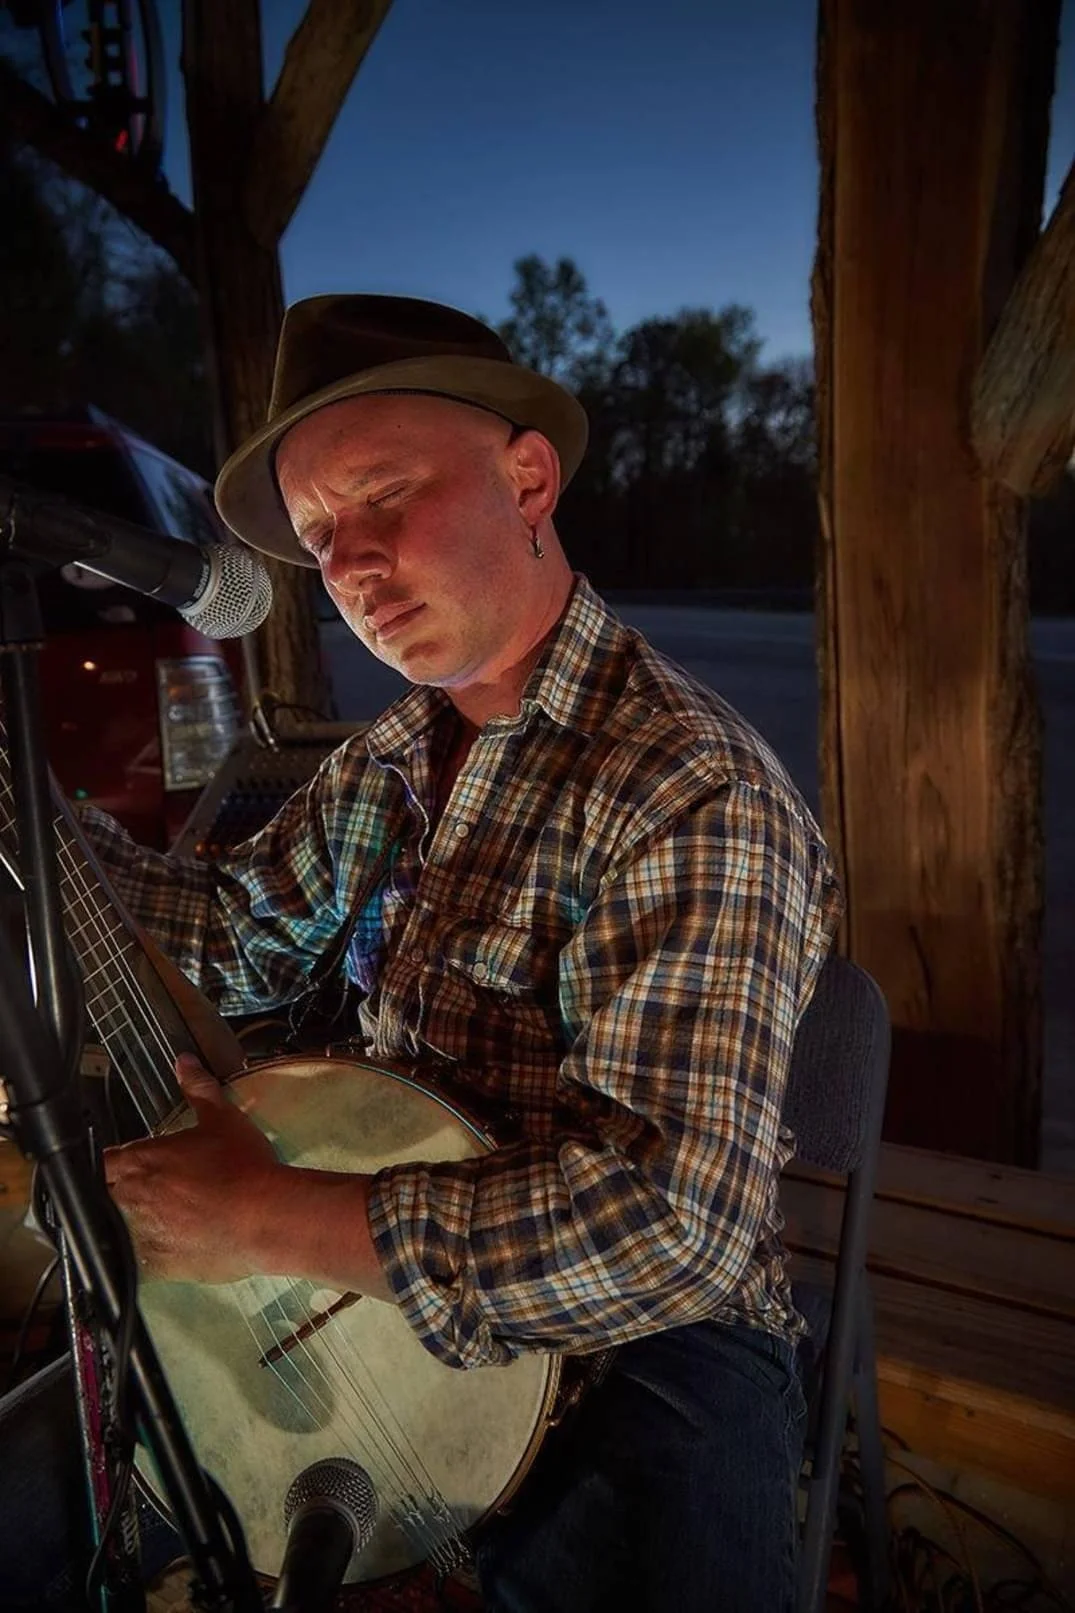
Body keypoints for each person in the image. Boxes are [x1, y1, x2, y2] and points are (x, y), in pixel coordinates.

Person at [0, 294, 841, 1611]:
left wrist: (264, 1215)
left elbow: (671, 1232)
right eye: (324, 537)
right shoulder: (395, 756)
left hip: (642, 1342)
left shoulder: (687, 786)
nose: (354, 563)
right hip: (343, 1267)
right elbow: (227, 941)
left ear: (526, 479)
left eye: (384, 496)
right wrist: (26, 815)